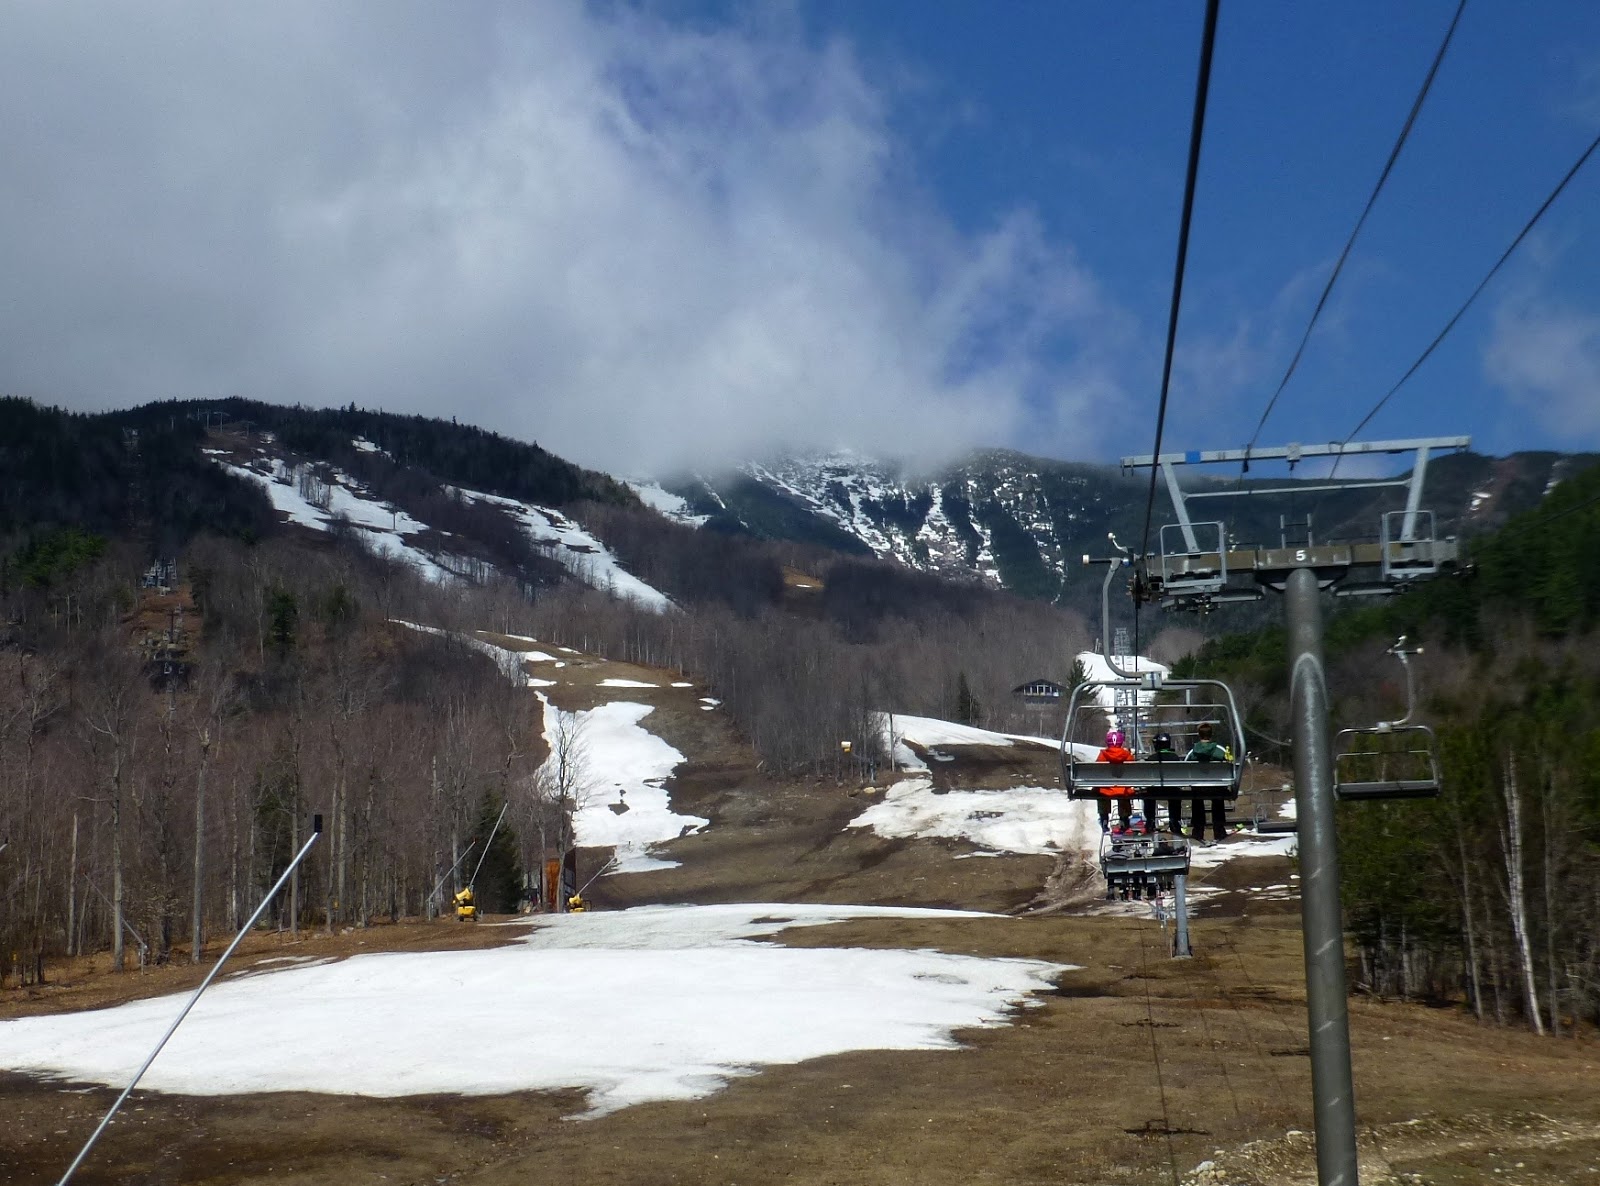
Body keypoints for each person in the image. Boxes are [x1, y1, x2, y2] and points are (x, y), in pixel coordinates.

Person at [1186, 722, 1233, 841]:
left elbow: (1185, 767)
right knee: (1218, 799)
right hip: (1217, 787)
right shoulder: (1220, 750)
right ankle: (1219, 829)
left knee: (1197, 800)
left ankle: (1198, 830)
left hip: (1198, 788)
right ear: (1211, 734)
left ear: (1199, 735)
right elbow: (1230, 765)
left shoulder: (1193, 751)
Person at [1096, 728, 1135, 833]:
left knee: (1102, 792)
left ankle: (1104, 819)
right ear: (1121, 742)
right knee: (1124, 793)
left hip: (1106, 789)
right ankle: (1124, 819)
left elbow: (1097, 773)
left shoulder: (1102, 755)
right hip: (1123, 789)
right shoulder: (1127, 755)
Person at [1149, 730, 1184, 834]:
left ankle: (1150, 820)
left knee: (1148, 794)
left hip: (1155, 791)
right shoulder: (1175, 758)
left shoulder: (1151, 758)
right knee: (1175, 794)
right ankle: (1174, 821)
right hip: (1172, 790)